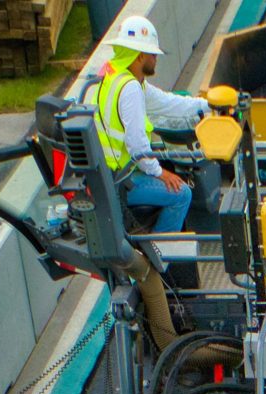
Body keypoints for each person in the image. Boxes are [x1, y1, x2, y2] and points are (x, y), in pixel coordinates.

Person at [94, 16, 211, 233]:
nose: (156, 59)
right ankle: (161, 251)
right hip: (121, 181)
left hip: (110, 175)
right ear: (140, 56)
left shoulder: (118, 77)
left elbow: (168, 103)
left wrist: (208, 105)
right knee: (182, 194)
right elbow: (137, 146)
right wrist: (160, 173)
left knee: (169, 174)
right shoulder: (130, 89)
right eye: (153, 54)